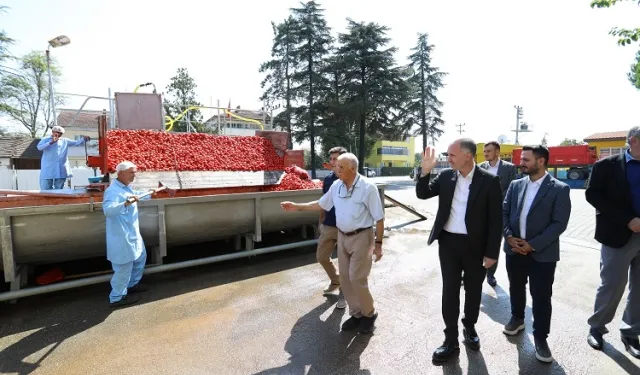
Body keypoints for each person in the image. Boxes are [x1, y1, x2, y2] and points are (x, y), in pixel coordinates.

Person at [415, 138, 502, 362]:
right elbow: (422, 194)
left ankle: (469, 327)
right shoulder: (445, 177)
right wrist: (424, 172)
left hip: (476, 246)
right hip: (449, 245)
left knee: (473, 291)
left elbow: (495, 221)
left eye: (452, 155)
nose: (447, 158)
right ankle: (450, 339)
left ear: (467, 156)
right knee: (450, 291)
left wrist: (492, 253)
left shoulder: (490, 181)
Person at [281, 153, 385, 334]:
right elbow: (321, 204)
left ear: (353, 168)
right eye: (336, 167)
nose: (337, 170)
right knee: (344, 278)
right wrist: (297, 206)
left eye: (341, 167)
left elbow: (380, 219)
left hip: (362, 236)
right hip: (342, 236)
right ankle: (356, 314)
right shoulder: (337, 186)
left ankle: (369, 314)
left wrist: (378, 244)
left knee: (357, 278)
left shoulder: (368, 188)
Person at [502, 145, 571, 363]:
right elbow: (503, 212)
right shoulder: (515, 185)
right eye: (521, 159)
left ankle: (541, 337)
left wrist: (532, 245)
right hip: (514, 249)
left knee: (541, 296)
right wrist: (509, 236)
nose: (520, 163)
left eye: (525, 160)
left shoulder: (559, 189)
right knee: (515, 286)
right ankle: (518, 318)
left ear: (540, 161)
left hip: (542, 253)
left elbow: (559, 224)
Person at [585, 126, 640, 359]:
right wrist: (628, 220)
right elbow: (593, 195)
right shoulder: (606, 166)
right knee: (612, 285)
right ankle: (597, 328)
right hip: (618, 235)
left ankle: (631, 332)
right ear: (634, 140)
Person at [103, 161, 158, 307]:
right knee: (123, 268)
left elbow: (136, 195)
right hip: (121, 236)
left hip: (132, 233)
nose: (135, 175)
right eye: (132, 172)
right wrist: (125, 204)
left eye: (135, 172)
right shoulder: (112, 191)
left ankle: (132, 285)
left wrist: (150, 193)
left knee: (140, 257)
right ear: (120, 173)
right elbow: (108, 210)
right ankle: (117, 297)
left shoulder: (126, 187)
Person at [479, 141, 518, 287]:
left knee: (493, 245)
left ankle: (490, 274)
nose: (486, 153)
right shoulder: (480, 167)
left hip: (500, 214)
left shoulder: (509, 168)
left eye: (488, 151)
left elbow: (512, 189)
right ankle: (476, 273)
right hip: (482, 214)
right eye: (485, 151)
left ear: (497, 152)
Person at [317, 146, 348, 309]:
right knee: (321, 257)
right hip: (329, 225)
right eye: (331, 159)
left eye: (335, 159)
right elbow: (323, 202)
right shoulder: (328, 179)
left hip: (345, 228)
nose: (332, 162)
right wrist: (320, 222)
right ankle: (335, 280)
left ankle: (344, 293)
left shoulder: (351, 178)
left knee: (344, 263)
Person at [36, 125, 90, 190]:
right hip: (48, 168)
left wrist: (83, 139)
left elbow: (76, 143)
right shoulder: (45, 139)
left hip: (60, 168)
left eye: (60, 133)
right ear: (52, 132)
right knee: (45, 187)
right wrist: (51, 142)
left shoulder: (65, 140)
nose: (58, 134)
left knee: (59, 189)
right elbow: (39, 147)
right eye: (56, 132)